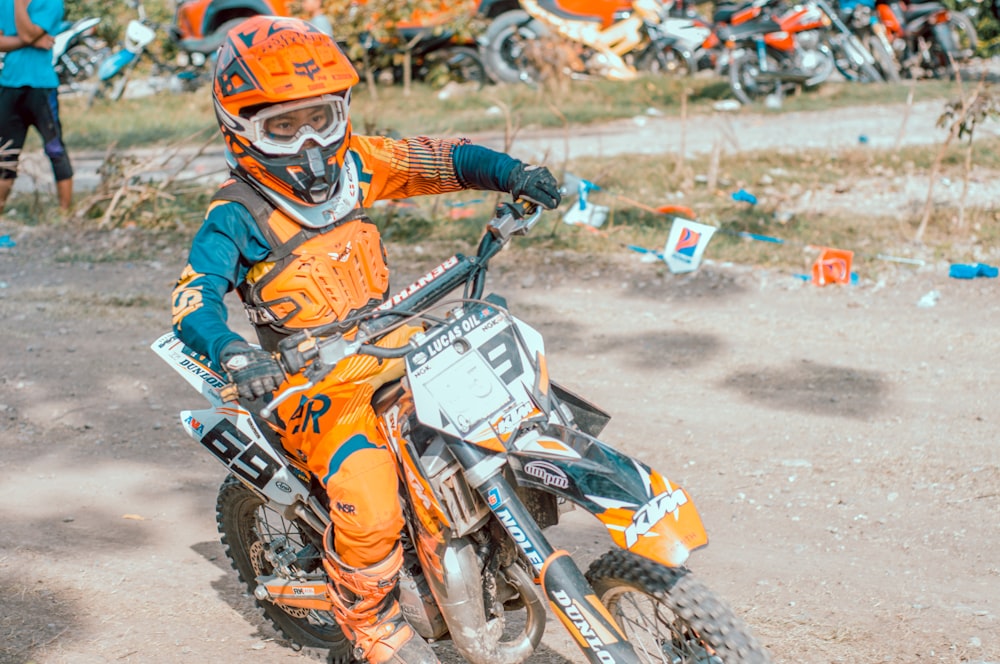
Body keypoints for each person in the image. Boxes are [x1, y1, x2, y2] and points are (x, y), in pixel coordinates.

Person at [170, 16, 560, 664]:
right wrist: (235, 352)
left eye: (321, 118)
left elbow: (439, 158)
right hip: (310, 380)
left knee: (512, 397)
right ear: (241, 127)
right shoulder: (236, 213)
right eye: (283, 127)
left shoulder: (357, 165)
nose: (311, 146)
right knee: (370, 501)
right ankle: (371, 626)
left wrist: (512, 173)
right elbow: (193, 297)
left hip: (394, 337)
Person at [0, 0, 73, 214]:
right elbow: (25, 38)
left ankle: (64, 212)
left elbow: (28, 33)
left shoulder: (52, 3)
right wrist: (30, 41)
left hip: (42, 87)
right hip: (9, 85)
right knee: (5, 152)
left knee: (55, 148)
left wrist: (20, 6)